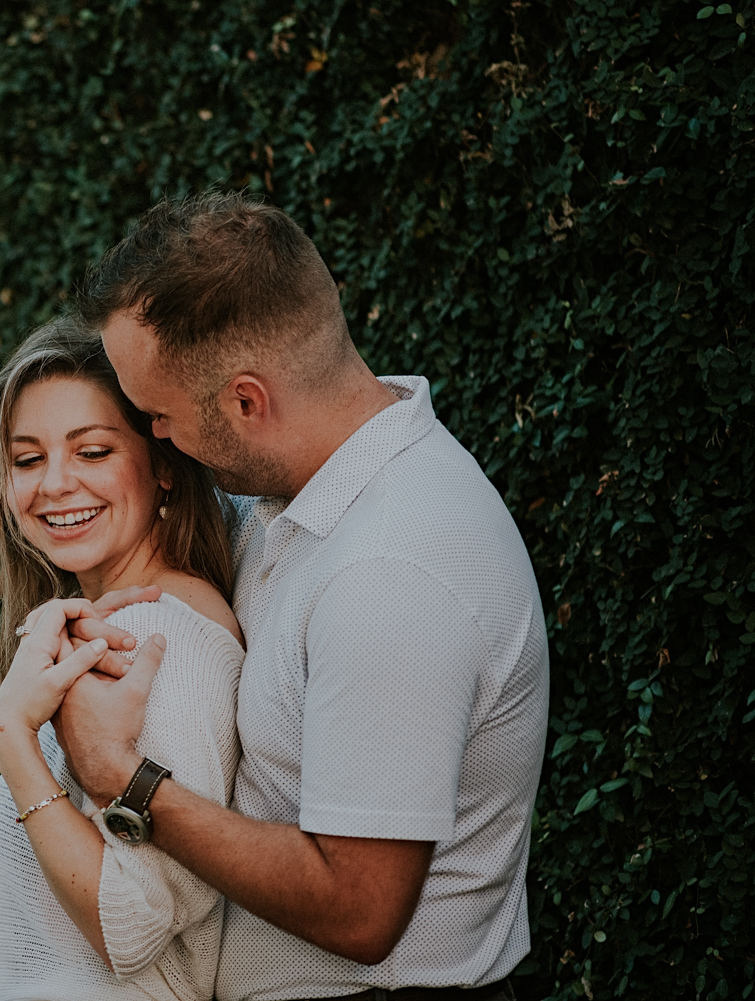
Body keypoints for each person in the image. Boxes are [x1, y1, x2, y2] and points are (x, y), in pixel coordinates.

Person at [48, 193, 549, 1001]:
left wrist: (123, 774)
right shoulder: (298, 494)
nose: (157, 440)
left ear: (247, 402)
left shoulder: (391, 572)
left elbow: (359, 911)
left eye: (159, 415)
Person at [0, 316, 247, 1001]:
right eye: (27, 459)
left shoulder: (157, 639)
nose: (56, 484)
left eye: (92, 451)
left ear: (160, 468)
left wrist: (11, 740)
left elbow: (131, 924)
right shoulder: (106, 626)